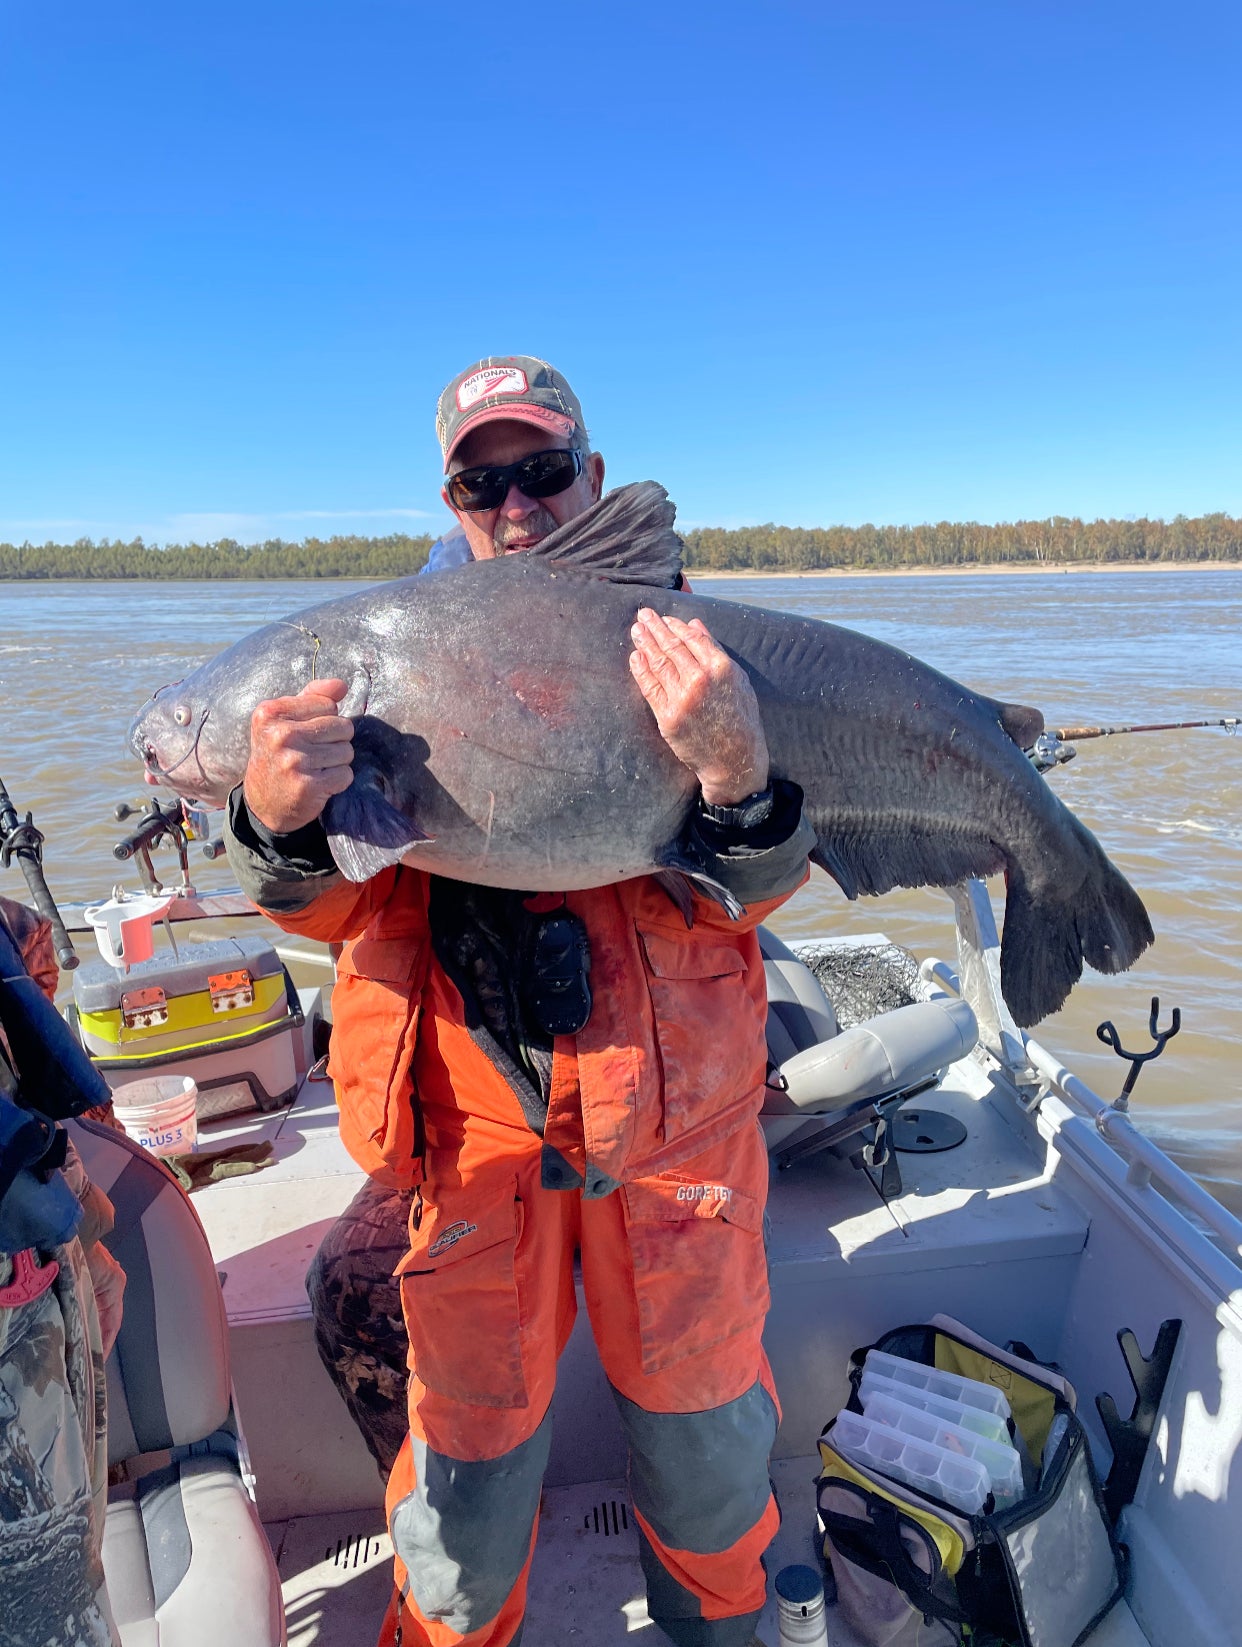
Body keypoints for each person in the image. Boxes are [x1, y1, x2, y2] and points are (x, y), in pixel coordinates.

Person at [224, 356, 815, 1647]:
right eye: (483, 483)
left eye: (543, 471)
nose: (517, 505)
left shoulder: (693, 653)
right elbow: (336, 916)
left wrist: (734, 772)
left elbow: (751, 894)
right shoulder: (375, 675)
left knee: (713, 1480)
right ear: (451, 505)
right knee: (458, 1521)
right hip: (478, 1148)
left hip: (676, 1151)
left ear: (591, 479)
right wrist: (275, 829)